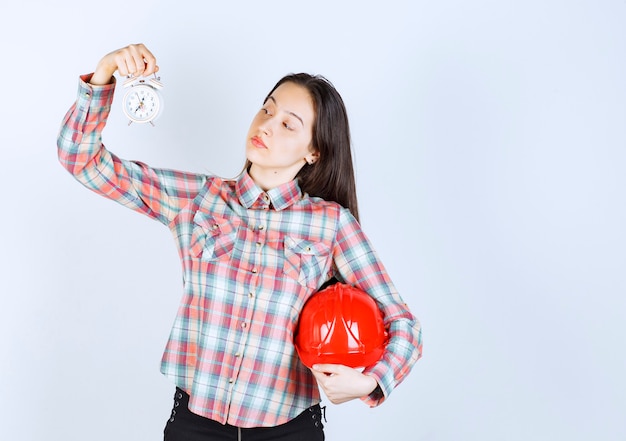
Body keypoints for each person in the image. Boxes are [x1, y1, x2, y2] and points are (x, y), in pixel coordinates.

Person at [57, 43, 422, 441]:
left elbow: (403, 324)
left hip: (289, 431)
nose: (266, 125)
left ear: (314, 151)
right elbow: (81, 159)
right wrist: (104, 73)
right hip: (196, 427)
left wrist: (371, 383)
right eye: (267, 109)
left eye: (288, 124)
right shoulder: (197, 199)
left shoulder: (331, 225)